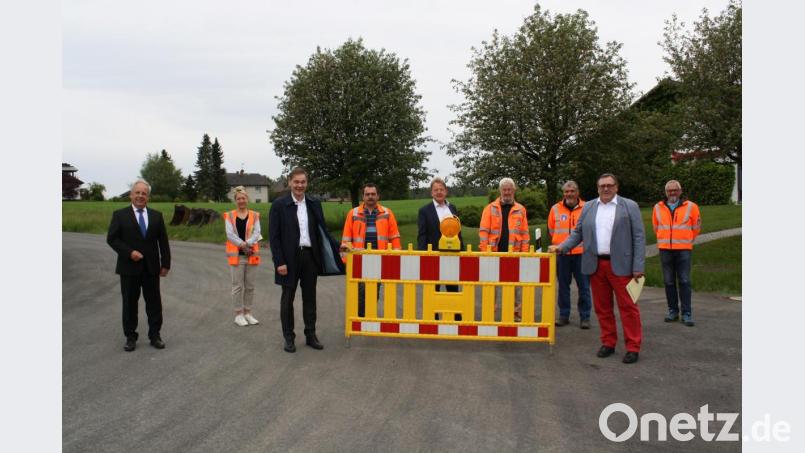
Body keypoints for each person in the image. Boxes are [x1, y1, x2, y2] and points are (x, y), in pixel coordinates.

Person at [549, 173, 645, 364]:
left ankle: (633, 346)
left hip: (623, 266)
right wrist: (562, 247)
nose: (606, 189)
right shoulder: (590, 207)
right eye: (602, 186)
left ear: (616, 187)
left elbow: (639, 237)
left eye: (609, 185)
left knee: (628, 308)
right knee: (602, 308)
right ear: (597, 188)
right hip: (595, 264)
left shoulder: (629, 206)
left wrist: (638, 266)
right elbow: (578, 233)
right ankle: (608, 342)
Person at [269, 167, 344, 353]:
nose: (299, 185)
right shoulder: (279, 205)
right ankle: (289, 337)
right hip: (288, 259)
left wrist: (339, 246)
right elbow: (274, 237)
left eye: (303, 182)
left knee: (310, 298)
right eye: (296, 182)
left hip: (310, 257)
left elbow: (322, 232)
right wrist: (279, 262)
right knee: (288, 299)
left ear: (307, 183)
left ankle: (311, 335)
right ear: (289, 182)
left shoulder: (313, 203)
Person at [106, 179, 170, 352]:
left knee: (154, 303)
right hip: (129, 268)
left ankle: (155, 335)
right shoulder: (119, 215)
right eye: (138, 193)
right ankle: (130, 337)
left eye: (144, 193)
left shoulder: (156, 216)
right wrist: (129, 252)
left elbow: (163, 242)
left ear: (148, 197)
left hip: (151, 268)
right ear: (131, 195)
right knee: (129, 303)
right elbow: (112, 239)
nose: (141, 196)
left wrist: (166, 263)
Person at [340, 183, 402, 317]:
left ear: (378, 196)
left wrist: (396, 258)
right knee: (360, 288)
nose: (370, 197)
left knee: (374, 288)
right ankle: (361, 315)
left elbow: (394, 236)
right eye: (367, 194)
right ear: (363, 196)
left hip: (379, 258)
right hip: (358, 259)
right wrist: (346, 260)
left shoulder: (387, 213)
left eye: (373, 194)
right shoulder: (353, 213)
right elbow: (346, 238)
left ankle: (369, 313)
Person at [479, 178, 530, 320]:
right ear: (500, 191)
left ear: (514, 191)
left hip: (514, 254)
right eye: (504, 189)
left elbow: (525, 233)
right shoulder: (489, 209)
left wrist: (525, 254)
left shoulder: (521, 209)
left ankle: (517, 313)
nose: (507, 192)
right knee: (491, 285)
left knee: (516, 286)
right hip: (493, 254)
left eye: (509, 189)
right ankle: (490, 312)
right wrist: (485, 252)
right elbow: (483, 232)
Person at [652, 180, 701, 327]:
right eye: (669, 190)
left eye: (675, 190)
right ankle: (673, 311)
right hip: (665, 249)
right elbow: (656, 227)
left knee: (684, 281)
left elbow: (696, 227)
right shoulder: (658, 207)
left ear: (680, 191)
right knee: (668, 281)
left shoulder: (691, 207)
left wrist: (686, 240)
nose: (672, 193)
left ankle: (687, 313)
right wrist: (664, 239)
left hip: (684, 249)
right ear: (666, 192)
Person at [417, 177, 465, 320]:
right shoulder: (424, 211)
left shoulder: (452, 208)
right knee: (433, 289)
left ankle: (455, 317)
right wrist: (423, 254)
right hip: (434, 256)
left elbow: (458, 231)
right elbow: (422, 234)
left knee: (453, 288)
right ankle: (433, 318)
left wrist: (461, 250)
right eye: (436, 190)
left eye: (441, 189)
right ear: (431, 193)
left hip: (453, 256)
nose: (439, 192)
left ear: (446, 191)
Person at [547, 180, 592, 329]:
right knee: (563, 287)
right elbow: (551, 230)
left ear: (577, 192)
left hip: (582, 254)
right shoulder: (555, 209)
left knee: (584, 287)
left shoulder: (587, 207)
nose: (569, 194)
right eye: (566, 191)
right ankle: (564, 315)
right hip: (562, 255)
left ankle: (585, 317)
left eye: (572, 191)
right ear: (563, 193)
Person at [224, 186, 262, 327]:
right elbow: (230, 234)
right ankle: (238, 315)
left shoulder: (254, 215)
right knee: (237, 287)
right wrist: (243, 245)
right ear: (235, 200)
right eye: (238, 198)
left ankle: (248, 313)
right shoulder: (229, 216)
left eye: (243, 198)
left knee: (250, 286)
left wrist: (248, 243)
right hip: (237, 257)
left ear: (247, 199)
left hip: (251, 255)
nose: (241, 201)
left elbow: (257, 232)